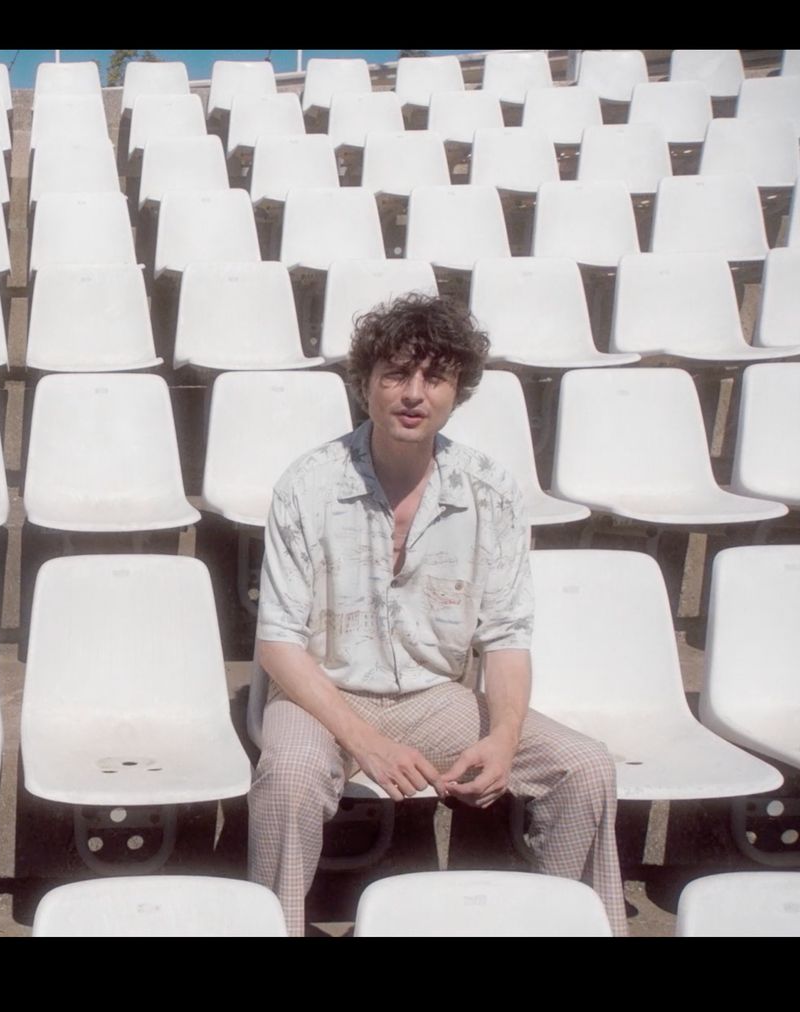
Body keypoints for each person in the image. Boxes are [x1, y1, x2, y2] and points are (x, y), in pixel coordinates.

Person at [247, 293, 627, 936]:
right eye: (395, 374)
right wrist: (365, 743)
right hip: (319, 692)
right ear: (364, 384)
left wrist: (503, 739)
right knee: (288, 776)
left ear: (458, 391)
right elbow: (278, 643)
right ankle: (272, 927)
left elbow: (507, 636)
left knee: (586, 767)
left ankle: (572, 924)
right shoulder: (306, 485)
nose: (413, 394)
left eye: (435, 377)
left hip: (430, 695)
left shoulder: (492, 492)